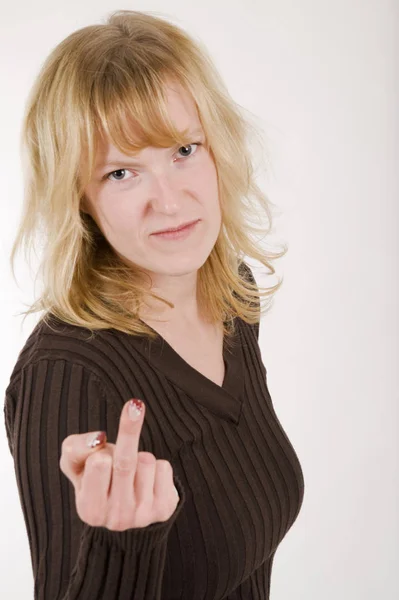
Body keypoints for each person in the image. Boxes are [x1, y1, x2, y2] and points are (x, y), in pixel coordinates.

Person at [3, 9, 305, 600]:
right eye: (120, 173)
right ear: (79, 200)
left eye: (185, 149)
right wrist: (125, 543)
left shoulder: (231, 296)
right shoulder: (68, 373)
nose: (169, 202)